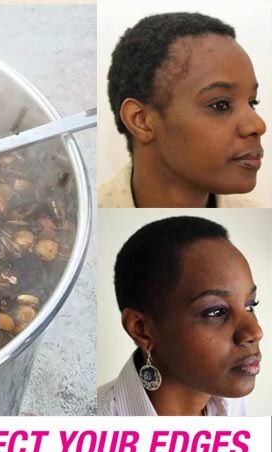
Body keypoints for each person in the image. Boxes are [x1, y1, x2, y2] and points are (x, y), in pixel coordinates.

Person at [97, 216, 262, 416]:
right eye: (215, 312)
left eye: (250, 305)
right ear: (142, 329)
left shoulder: (231, 405)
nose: (254, 332)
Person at [99, 12, 266, 209]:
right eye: (221, 105)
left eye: (252, 102)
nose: (258, 125)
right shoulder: (97, 208)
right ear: (141, 120)